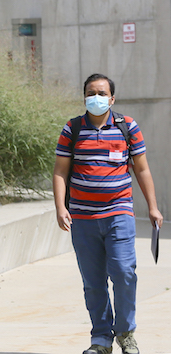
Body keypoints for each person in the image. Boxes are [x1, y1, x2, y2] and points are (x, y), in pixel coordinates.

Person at [52, 73, 163, 354]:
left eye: (102, 93)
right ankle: (101, 339)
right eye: (92, 93)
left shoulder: (128, 127)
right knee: (93, 281)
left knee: (125, 273)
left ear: (112, 98)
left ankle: (125, 333)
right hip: (83, 218)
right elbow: (60, 171)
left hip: (119, 213)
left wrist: (152, 206)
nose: (97, 98)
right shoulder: (72, 128)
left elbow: (142, 169)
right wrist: (60, 206)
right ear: (85, 97)